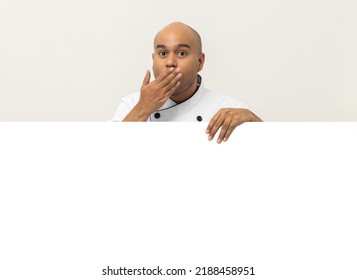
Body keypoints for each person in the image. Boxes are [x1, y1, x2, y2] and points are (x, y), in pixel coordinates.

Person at [112, 22, 262, 143]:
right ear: (153, 60)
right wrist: (142, 109)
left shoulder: (231, 110)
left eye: (182, 53)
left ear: (200, 61)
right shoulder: (131, 105)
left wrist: (254, 122)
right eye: (163, 54)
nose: (170, 62)